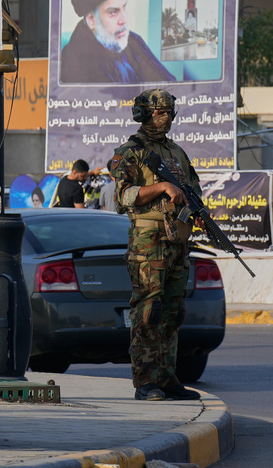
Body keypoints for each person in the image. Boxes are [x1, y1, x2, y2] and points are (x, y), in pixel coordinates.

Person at [109, 89, 202, 401]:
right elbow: (123, 196)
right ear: (143, 114)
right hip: (148, 239)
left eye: (168, 113)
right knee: (150, 308)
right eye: (159, 112)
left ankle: (167, 376)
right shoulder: (131, 152)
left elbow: (193, 190)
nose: (165, 118)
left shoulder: (177, 153)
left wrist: (195, 211)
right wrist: (162, 186)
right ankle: (145, 381)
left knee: (174, 311)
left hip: (177, 238)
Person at [59, 0, 175, 85]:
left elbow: (169, 86)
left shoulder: (133, 41)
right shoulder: (73, 63)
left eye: (124, 7)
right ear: (91, 19)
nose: (124, 20)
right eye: (113, 12)